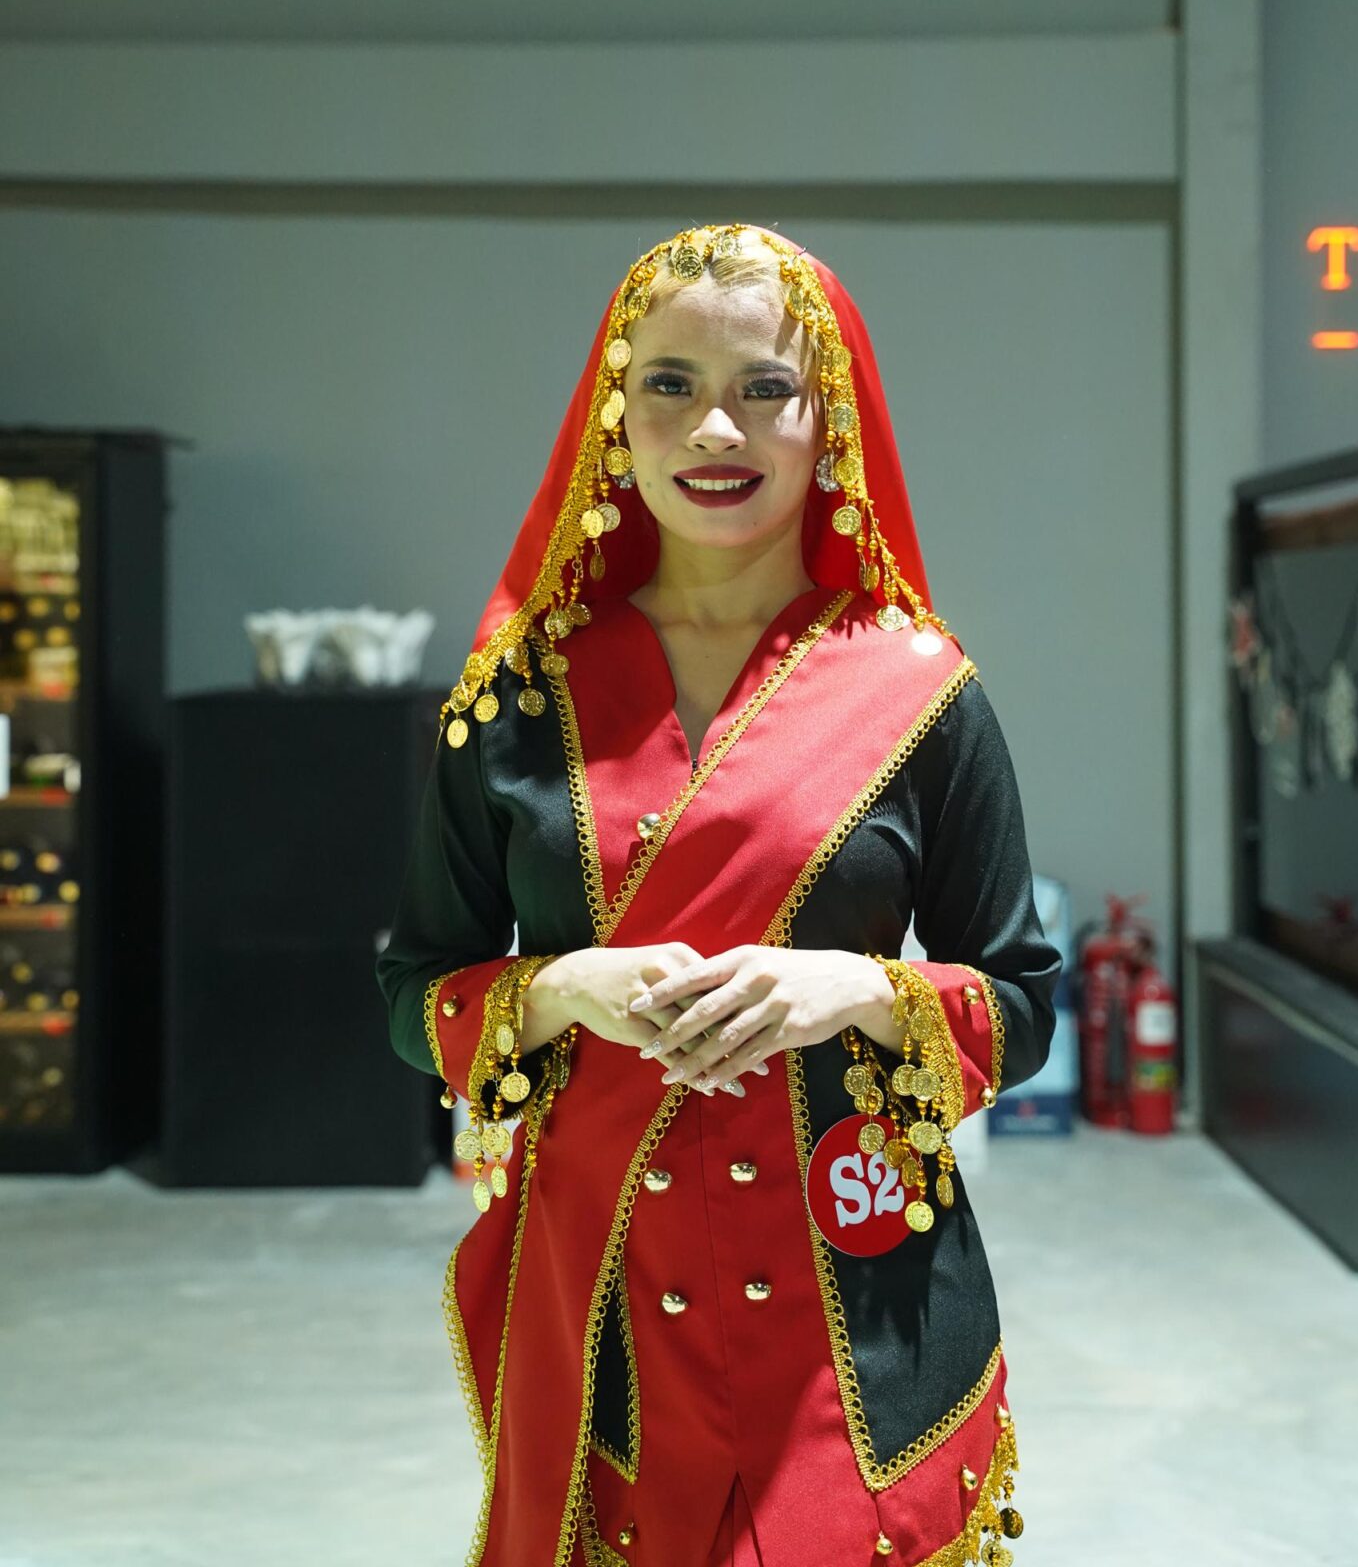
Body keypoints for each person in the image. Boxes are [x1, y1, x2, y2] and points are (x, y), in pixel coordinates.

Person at [376, 223, 1061, 1567]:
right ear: (614, 414)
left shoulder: (922, 692)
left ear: (829, 420)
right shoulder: (518, 698)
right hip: (605, 1310)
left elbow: (1023, 999)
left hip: (855, 1294)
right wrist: (556, 989)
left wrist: (858, 990)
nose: (714, 428)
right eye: (670, 384)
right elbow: (415, 992)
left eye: (765, 387)